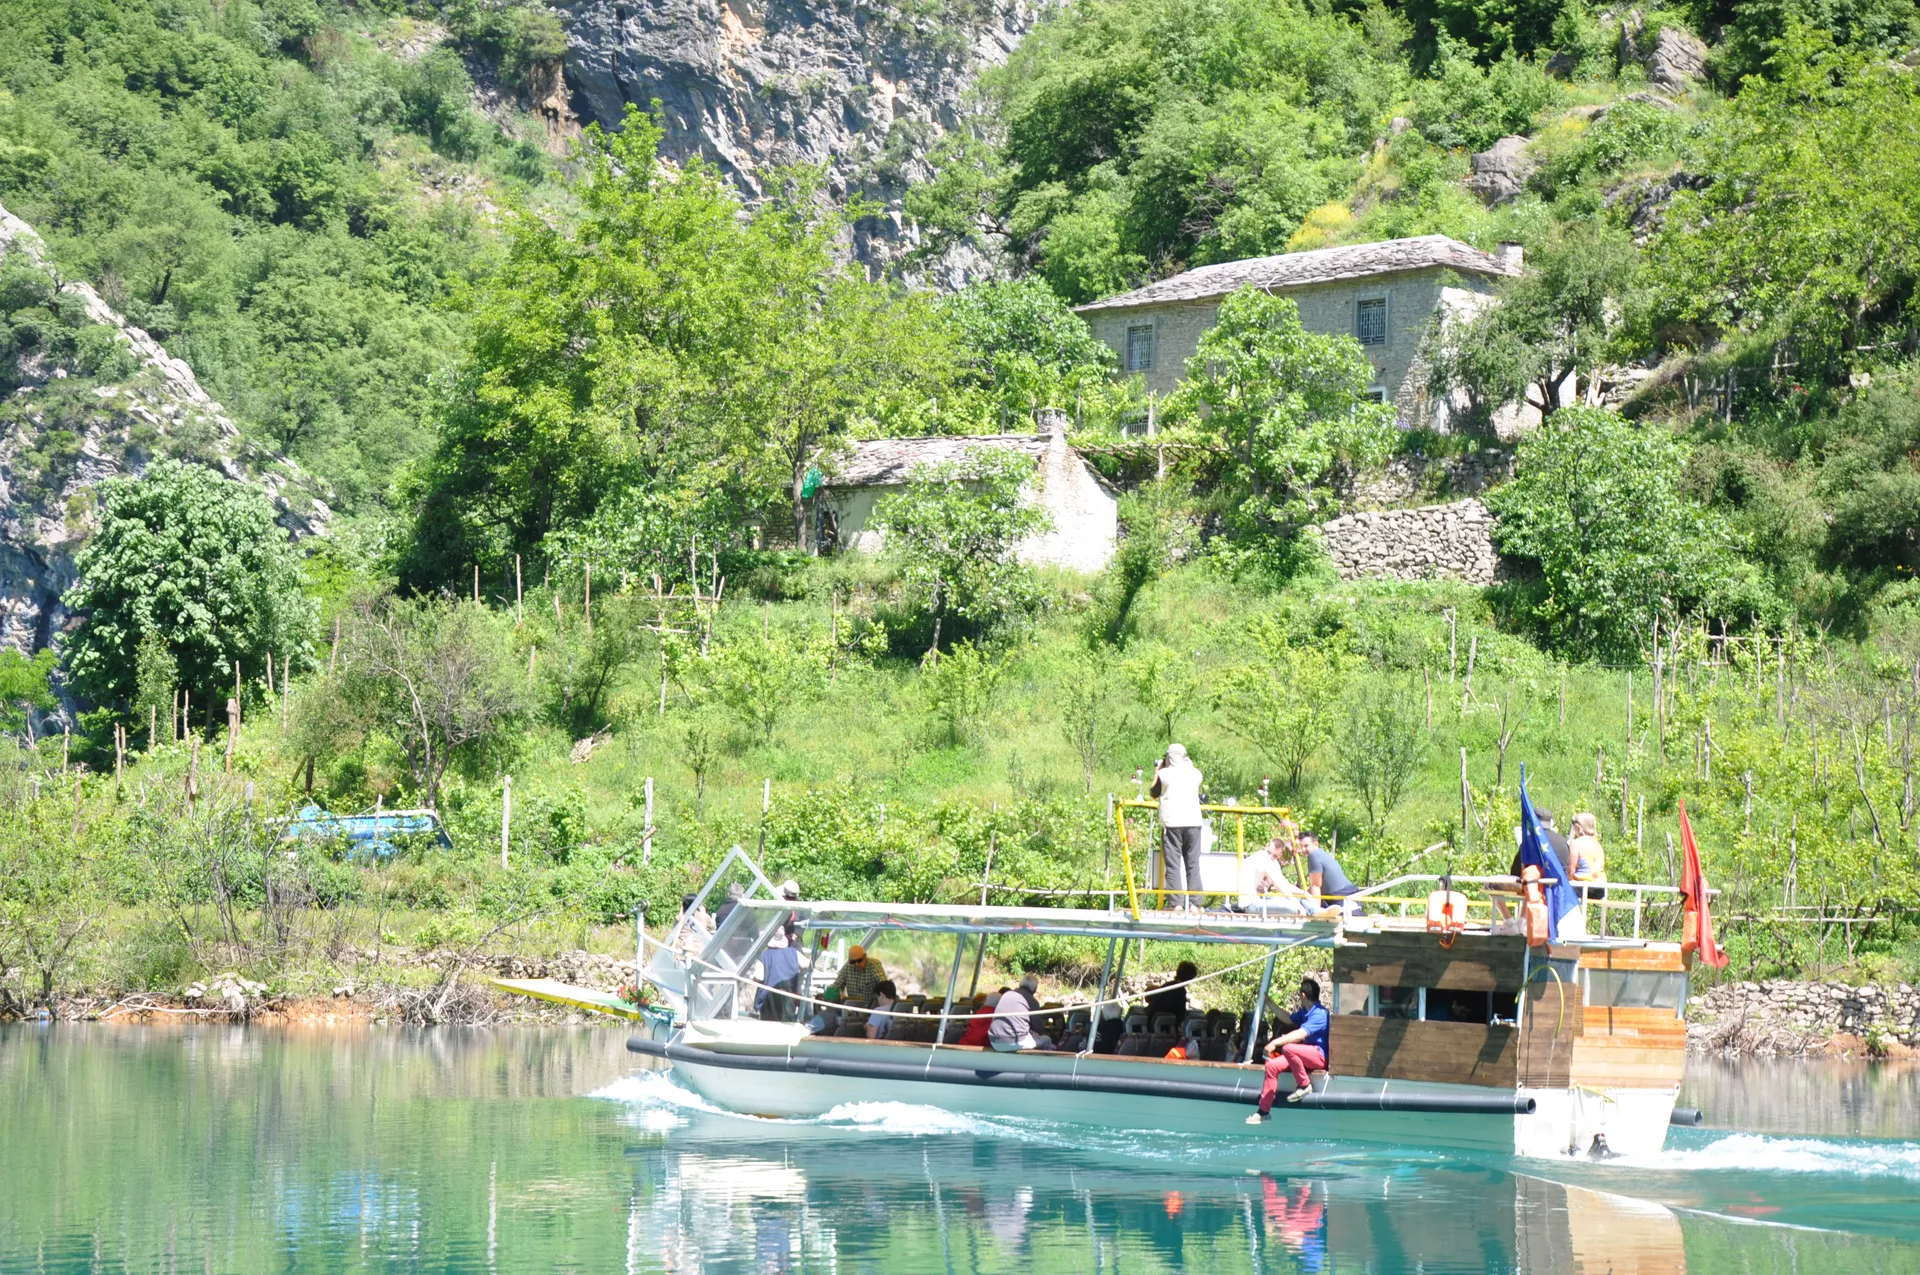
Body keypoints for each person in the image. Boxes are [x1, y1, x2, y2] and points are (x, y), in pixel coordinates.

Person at [1247, 979, 1330, 1122]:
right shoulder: (1305, 1012)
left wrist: (1275, 1042)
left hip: (1319, 1056)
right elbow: (1288, 1019)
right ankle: (1263, 1111)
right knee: (1272, 1066)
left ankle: (1304, 1085)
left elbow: (1300, 1034)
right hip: (1304, 1054)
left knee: (1288, 1048)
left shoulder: (1320, 1014)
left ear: (1303, 995)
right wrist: (1269, 1002)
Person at [1153, 744, 1206, 911]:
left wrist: (1157, 771)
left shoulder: (1164, 774)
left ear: (1169, 757)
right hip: (1194, 823)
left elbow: (1153, 793)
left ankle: (1176, 903)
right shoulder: (1196, 773)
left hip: (1172, 824)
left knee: (1173, 864)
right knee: (1193, 864)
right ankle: (1195, 903)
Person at [1282, 836, 1360, 916]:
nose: (1303, 849)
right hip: (1349, 894)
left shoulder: (1313, 855)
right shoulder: (1323, 854)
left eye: (1306, 846)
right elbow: (1317, 886)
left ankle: (1316, 911)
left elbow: (1316, 886)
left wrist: (1316, 909)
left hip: (1339, 898)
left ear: (1316, 844)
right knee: (1303, 897)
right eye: (1301, 846)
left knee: (1302, 901)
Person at [1235, 837, 1313, 916]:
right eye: (1269, 852)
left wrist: (1303, 893)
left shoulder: (1273, 862)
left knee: (1301, 900)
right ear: (1266, 846)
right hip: (1251, 903)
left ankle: (1316, 912)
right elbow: (1278, 885)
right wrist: (1298, 906)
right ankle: (1313, 913)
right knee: (1293, 907)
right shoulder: (1261, 856)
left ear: (1280, 855)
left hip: (1261, 900)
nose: (1271, 857)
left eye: (1275, 856)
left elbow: (1284, 884)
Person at [989, 973, 1054, 1052]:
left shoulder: (1006, 994)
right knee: (1046, 1039)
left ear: (1020, 984)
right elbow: (1039, 1028)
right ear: (1035, 989)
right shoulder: (1032, 1001)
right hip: (1015, 1042)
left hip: (994, 1041)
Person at [829, 944, 887, 1032]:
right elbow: (835, 986)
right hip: (853, 1014)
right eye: (853, 962)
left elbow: (884, 986)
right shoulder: (847, 967)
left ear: (865, 957)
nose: (856, 964)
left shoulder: (874, 965)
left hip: (872, 1013)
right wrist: (835, 994)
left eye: (859, 960)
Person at [756, 929, 803, 1021]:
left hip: (768, 1001)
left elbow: (758, 977)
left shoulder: (763, 956)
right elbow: (807, 965)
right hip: (790, 998)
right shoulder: (794, 953)